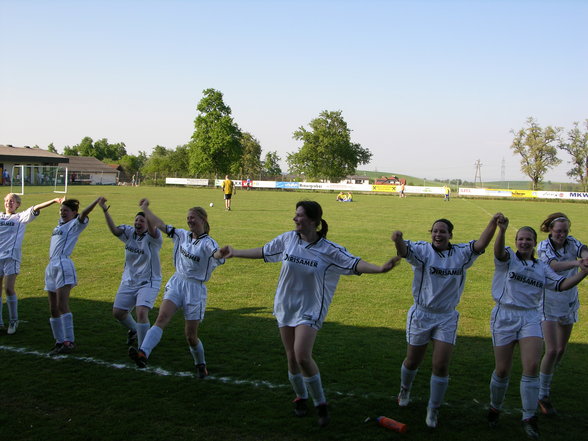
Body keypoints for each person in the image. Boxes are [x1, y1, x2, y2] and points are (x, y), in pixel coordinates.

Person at [218, 200, 400, 427]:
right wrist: (234, 252)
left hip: (310, 309)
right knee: (292, 357)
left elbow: (354, 263)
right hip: (286, 305)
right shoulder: (288, 239)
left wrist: (380, 268)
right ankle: (301, 397)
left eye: (300, 216)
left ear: (314, 221)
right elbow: (264, 251)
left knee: (302, 355)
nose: (295, 219)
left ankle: (320, 403)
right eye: (295, 215)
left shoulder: (329, 250)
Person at [391, 213, 502, 428]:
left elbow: (480, 245)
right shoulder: (423, 250)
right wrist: (397, 239)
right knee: (412, 360)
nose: (438, 234)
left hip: (446, 316)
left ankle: (433, 409)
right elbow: (404, 251)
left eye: (443, 231)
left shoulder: (460, 254)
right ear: (431, 234)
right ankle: (404, 390)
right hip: (422, 314)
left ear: (450, 235)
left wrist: (493, 224)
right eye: (435, 231)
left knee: (440, 365)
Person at [487, 217, 588, 439]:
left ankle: (529, 417)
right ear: (516, 241)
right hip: (504, 316)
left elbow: (561, 285)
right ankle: (495, 407)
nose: (524, 242)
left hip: (530, 317)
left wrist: (583, 271)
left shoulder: (541, 266)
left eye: (529, 239)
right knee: (502, 370)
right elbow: (497, 251)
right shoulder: (508, 259)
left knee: (531, 367)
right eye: (521, 239)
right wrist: (501, 230)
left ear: (534, 243)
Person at [128, 199, 225, 378]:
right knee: (162, 318)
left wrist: (222, 253)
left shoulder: (209, 242)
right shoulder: (181, 235)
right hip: (177, 282)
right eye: (188, 218)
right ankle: (143, 353)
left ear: (203, 219)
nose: (189, 221)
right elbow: (159, 224)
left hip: (195, 289)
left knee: (190, 336)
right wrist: (145, 209)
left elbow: (216, 254)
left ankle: (200, 364)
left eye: (193, 218)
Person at [536, 213, 588, 416]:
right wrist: (577, 264)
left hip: (569, 302)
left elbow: (583, 249)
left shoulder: (572, 242)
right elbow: (552, 266)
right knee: (552, 349)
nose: (562, 235)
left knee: (561, 350)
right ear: (550, 229)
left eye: (565, 231)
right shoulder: (543, 247)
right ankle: (542, 393)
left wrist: (585, 256)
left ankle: (545, 377)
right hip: (548, 302)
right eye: (558, 231)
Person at [97, 197, 163, 349]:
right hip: (129, 280)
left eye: (142, 221)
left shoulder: (153, 238)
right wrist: (105, 210)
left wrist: (146, 209)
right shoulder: (129, 232)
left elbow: (153, 229)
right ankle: (134, 330)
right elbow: (114, 231)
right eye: (137, 220)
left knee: (141, 312)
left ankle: (142, 350)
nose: (138, 223)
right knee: (118, 313)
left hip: (149, 281)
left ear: (148, 224)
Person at [0, 193, 64, 334]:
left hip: (11, 257)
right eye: (6, 201)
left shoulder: (20, 217)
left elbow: (36, 207)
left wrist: (54, 200)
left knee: (9, 288)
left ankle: (13, 321)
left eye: (12, 201)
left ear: (18, 204)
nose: (8, 203)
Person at [46, 197, 101, 355]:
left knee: (62, 305)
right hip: (51, 266)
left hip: (63, 265)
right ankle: (59, 341)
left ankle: (69, 341)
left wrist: (96, 200)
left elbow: (84, 213)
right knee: (53, 308)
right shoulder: (59, 225)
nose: (63, 212)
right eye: (61, 210)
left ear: (74, 213)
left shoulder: (75, 225)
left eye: (66, 210)